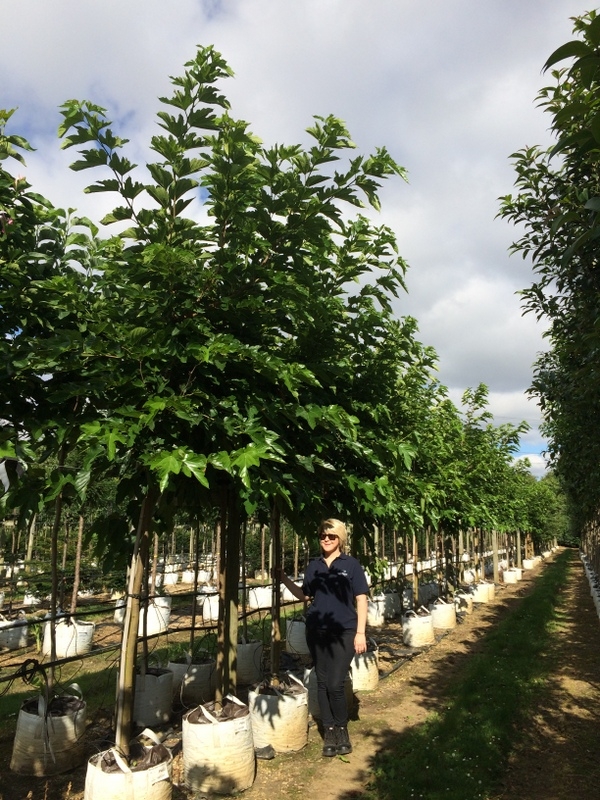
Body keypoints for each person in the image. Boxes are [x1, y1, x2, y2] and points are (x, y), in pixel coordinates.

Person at [278, 518, 369, 757]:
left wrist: (361, 633)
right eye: (322, 536)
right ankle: (328, 730)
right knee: (322, 680)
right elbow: (305, 595)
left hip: (344, 630)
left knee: (335, 683)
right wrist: (284, 579)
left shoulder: (351, 565)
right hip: (317, 630)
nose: (326, 539)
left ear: (340, 538)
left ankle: (341, 728)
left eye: (331, 536)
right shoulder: (314, 566)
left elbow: (361, 598)